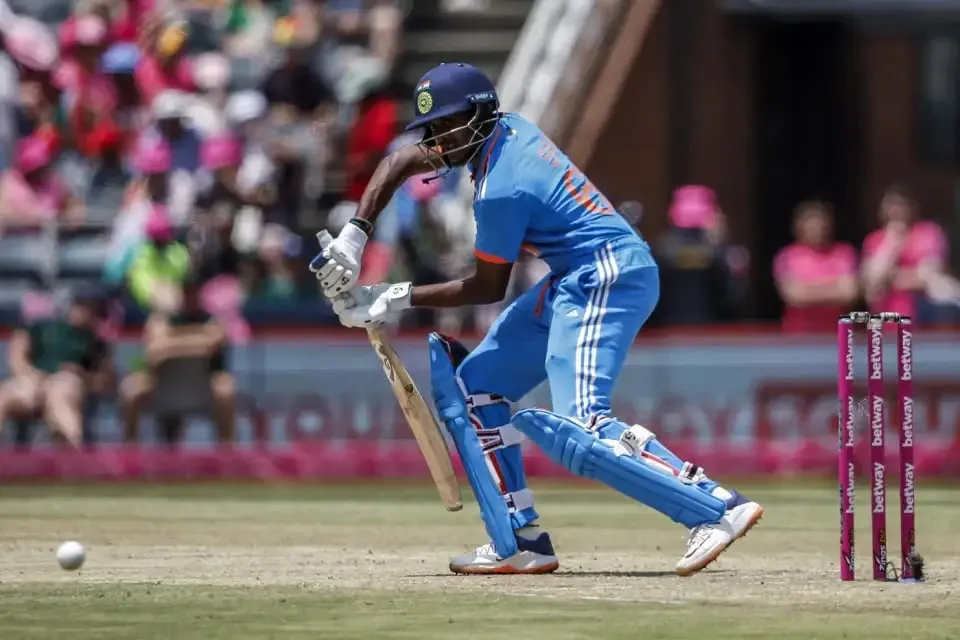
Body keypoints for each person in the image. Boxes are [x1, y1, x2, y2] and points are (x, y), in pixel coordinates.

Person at [309, 63, 764, 576]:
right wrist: (355, 235)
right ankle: (521, 539)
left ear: (477, 117)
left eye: (446, 126)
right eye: (432, 129)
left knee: (583, 425)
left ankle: (715, 506)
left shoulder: (502, 187)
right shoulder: (503, 129)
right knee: (476, 386)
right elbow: (397, 161)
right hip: (573, 277)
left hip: (607, 276)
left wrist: (390, 296)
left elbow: (485, 288)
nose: (437, 141)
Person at [0, 286, 109, 447]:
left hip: (66, 383)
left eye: (90, 308)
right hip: (33, 379)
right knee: (7, 395)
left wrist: (84, 377)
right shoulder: (44, 326)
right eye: (80, 305)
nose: (83, 311)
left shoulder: (96, 341)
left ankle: (75, 453)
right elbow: (18, 347)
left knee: (61, 396)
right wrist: (27, 373)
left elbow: (105, 382)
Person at [773, 201, 858, 333]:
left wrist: (808, 288)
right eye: (812, 227)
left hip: (837, 335)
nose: (819, 231)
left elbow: (849, 294)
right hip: (798, 337)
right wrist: (834, 287)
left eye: (822, 226)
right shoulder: (787, 256)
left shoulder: (844, 253)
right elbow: (794, 296)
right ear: (799, 228)